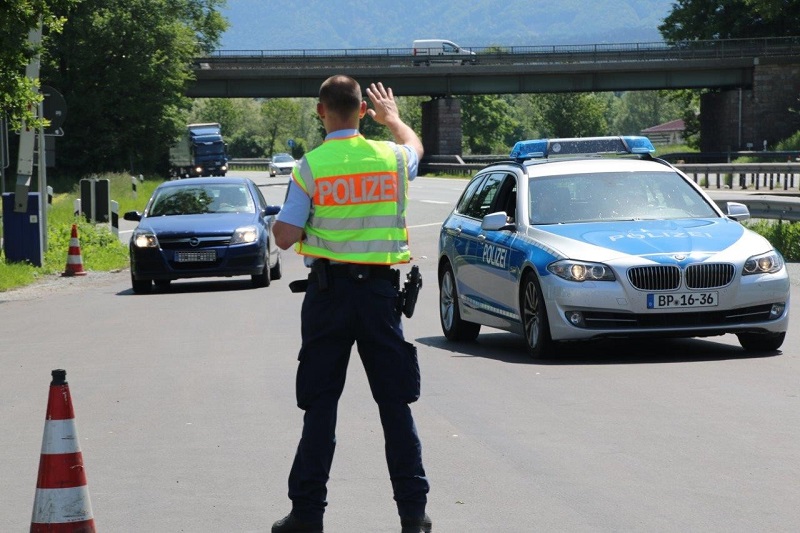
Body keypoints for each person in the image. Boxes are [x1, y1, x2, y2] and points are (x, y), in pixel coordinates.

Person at [271, 75, 431, 533]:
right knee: (395, 406)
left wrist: (308, 221)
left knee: (321, 408)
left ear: (321, 111)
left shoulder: (311, 167)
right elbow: (417, 149)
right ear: (364, 111)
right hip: (381, 297)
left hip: (328, 296)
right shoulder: (391, 157)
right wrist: (395, 120)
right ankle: (413, 516)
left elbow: (283, 238)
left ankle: (306, 516)